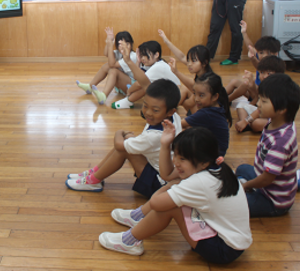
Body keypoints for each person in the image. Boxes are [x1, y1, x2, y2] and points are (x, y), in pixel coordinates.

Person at [99, 127, 252, 263]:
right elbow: (166, 175)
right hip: (231, 242)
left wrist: (170, 186)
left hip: (222, 250)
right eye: (175, 155)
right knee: (174, 196)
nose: (176, 162)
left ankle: (129, 241)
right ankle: (138, 217)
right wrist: (165, 145)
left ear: (203, 162)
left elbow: (157, 203)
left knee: (171, 207)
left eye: (182, 158)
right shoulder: (216, 167)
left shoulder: (200, 181)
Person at [66, 79, 182, 197]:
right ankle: (94, 173)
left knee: (124, 149)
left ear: (170, 111)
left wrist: (119, 132)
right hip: (162, 173)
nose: (148, 112)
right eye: (145, 106)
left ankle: (93, 181)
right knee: (126, 144)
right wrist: (128, 137)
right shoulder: (173, 118)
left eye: (155, 110)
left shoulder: (155, 136)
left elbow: (119, 146)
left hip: (160, 185)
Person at [235, 74, 300, 217]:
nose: (258, 104)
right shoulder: (277, 121)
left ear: (282, 108)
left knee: (233, 204)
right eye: (259, 99)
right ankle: (291, 180)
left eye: (264, 101)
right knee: (242, 168)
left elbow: (267, 179)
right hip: (265, 181)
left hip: (274, 200)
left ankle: (250, 191)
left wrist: (245, 186)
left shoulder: (280, 142)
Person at [111, 41, 181, 110]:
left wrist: (129, 90)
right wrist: (138, 61)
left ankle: (128, 101)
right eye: (141, 56)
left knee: (147, 86)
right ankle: (128, 101)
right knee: (146, 84)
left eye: (145, 55)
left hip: (172, 98)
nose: (143, 58)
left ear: (156, 55)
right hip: (169, 95)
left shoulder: (159, 66)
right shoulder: (150, 65)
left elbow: (139, 83)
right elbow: (136, 77)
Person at [76, 28, 137, 105]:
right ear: (117, 46)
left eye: (127, 44)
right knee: (107, 66)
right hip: (123, 85)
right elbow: (106, 53)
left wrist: (110, 46)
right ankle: (89, 87)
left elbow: (112, 64)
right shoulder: (119, 53)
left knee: (113, 70)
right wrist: (109, 41)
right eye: (120, 44)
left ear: (131, 44)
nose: (124, 47)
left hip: (132, 87)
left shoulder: (132, 56)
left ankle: (104, 96)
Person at [226, 21, 281, 102]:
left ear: (276, 53)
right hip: (255, 92)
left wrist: (252, 59)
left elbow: (260, 67)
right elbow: (251, 47)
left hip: (262, 97)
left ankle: (225, 101)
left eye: (268, 53)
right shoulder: (261, 58)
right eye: (261, 53)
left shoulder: (275, 64)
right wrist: (244, 32)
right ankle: (219, 97)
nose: (264, 55)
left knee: (245, 84)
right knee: (234, 82)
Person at [180, 72, 232, 157]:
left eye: (201, 95)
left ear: (215, 96)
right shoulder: (217, 106)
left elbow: (178, 124)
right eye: (194, 94)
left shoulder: (206, 114)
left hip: (212, 157)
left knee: (178, 132)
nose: (196, 99)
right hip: (216, 152)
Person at [234, 56, 286, 133]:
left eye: (269, 73)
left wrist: (247, 120)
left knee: (256, 123)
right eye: (262, 72)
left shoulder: (276, 89)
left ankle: (245, 123)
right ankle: (244, 125)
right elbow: (257, 102)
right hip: (263, 113)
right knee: (241, 104)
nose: (264, 76)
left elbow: (260, 109)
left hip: (275, 119)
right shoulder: (264, 85)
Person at [167, 45, 212, 114]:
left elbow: (189, 103)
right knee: (184, 89)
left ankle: (166, 110)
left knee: (184, 90)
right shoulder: (203, 73)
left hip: (208, 115)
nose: (189, 64)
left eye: (193, 61)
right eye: (188, 61)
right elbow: (182, 57)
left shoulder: (207, 81)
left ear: (205, 62)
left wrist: (176, 72)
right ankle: (167, 110)